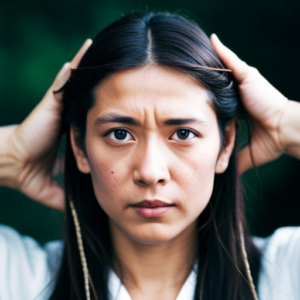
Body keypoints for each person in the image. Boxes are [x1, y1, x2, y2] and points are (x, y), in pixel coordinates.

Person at [0, 12, 300, 300]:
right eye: (119, 134)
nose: (150, 171)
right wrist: (12, 152)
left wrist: (285, 121)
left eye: (183, 133)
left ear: (226, 143)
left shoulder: (286, 273)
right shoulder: (20, 279)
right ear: (79, 146)